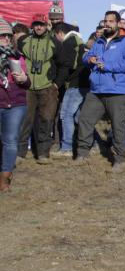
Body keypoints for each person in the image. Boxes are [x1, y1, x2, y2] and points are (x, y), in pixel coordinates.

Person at [75, 11, 125, 171]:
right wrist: (88, 60)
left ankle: (119, 159)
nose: (107, 24)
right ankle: (82, 153)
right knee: (84, 119)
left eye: (111, 21)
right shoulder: (98, 41)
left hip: (117, 90)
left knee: (118, 125)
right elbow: (86, 57)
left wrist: (109, 66)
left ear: (118, 23)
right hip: (96, 90)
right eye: (106, 21)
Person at [17, 20, 63, 163]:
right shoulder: (24, 40)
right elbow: (16, 58)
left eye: (41, 25)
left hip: (47, 87)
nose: (39, 27)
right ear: (32, 26)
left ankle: (43, 154)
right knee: (25, 120)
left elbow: (64, 64)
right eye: (36, 24)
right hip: (27, 87)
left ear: (46, 26)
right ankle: (20, 153)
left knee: (46, 120)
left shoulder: (55, 42)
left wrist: (56, 84)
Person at [0, 18, 31, 191]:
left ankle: (5, 177)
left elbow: (27, 83)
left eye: (7, 35)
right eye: (1, 35)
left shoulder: (17, 56)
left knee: (10, 140)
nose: (5, 38)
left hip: (16, 104)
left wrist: (24, 78)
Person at [52, 22, 88, 156]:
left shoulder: (68, 43)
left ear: (60, 33)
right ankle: (93, 143)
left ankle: (66, 148)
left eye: (56, 36)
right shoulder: (79, 41)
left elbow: (67, 66)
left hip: (74, 83)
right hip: (84, 83)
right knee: (79, 117)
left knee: (66, 115)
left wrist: (57, 83)